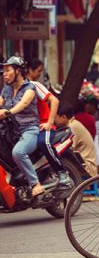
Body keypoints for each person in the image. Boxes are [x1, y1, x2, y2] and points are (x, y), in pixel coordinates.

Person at [0, 56, 43, 196]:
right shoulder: (6, 89)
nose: (4, 73)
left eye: (7, 70)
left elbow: (23, 104)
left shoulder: (29, 88)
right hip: (11, 132)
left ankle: (35, 183)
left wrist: (7, 112)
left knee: (18, 153)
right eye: (3, 70)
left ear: (17, 71)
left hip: (29, 130)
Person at [27, 59, 70, 186]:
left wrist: (50, 123)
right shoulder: (13, 89)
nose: (40, 74)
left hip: (43, 124)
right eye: (39, 71)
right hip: (28, 127)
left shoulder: (34, 85)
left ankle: (61, 171)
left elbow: (54, 101)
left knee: (43, 142)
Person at [55, 103, 98, 177]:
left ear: (63, 117)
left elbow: (65, 148)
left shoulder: (72, 127)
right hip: (82, 164)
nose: (53, 120)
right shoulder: (72, 124)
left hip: (87, 167)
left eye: (55, 117)